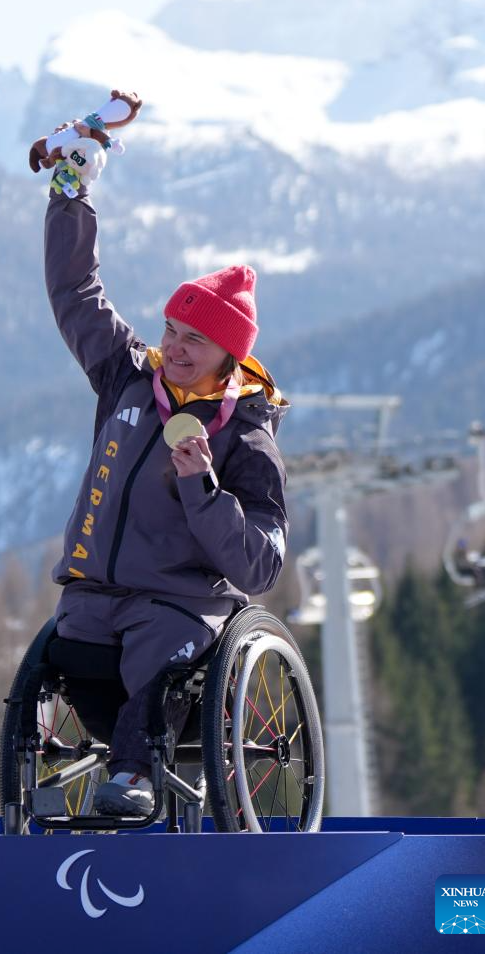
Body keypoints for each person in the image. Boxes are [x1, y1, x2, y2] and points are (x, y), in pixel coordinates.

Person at [42, 145, 289, 816]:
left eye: (194, 341)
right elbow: (76, 294)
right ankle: (60, 781)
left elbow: (260, 563)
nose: (175, 348)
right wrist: (70, 196)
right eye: (171, 330)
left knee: (158, 666)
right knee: (62, 661)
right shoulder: (126, 376)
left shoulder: (246, 435)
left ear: (229, 355)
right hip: (93, 596)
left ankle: (133, 778)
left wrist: (202, 490)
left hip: (180, 605)